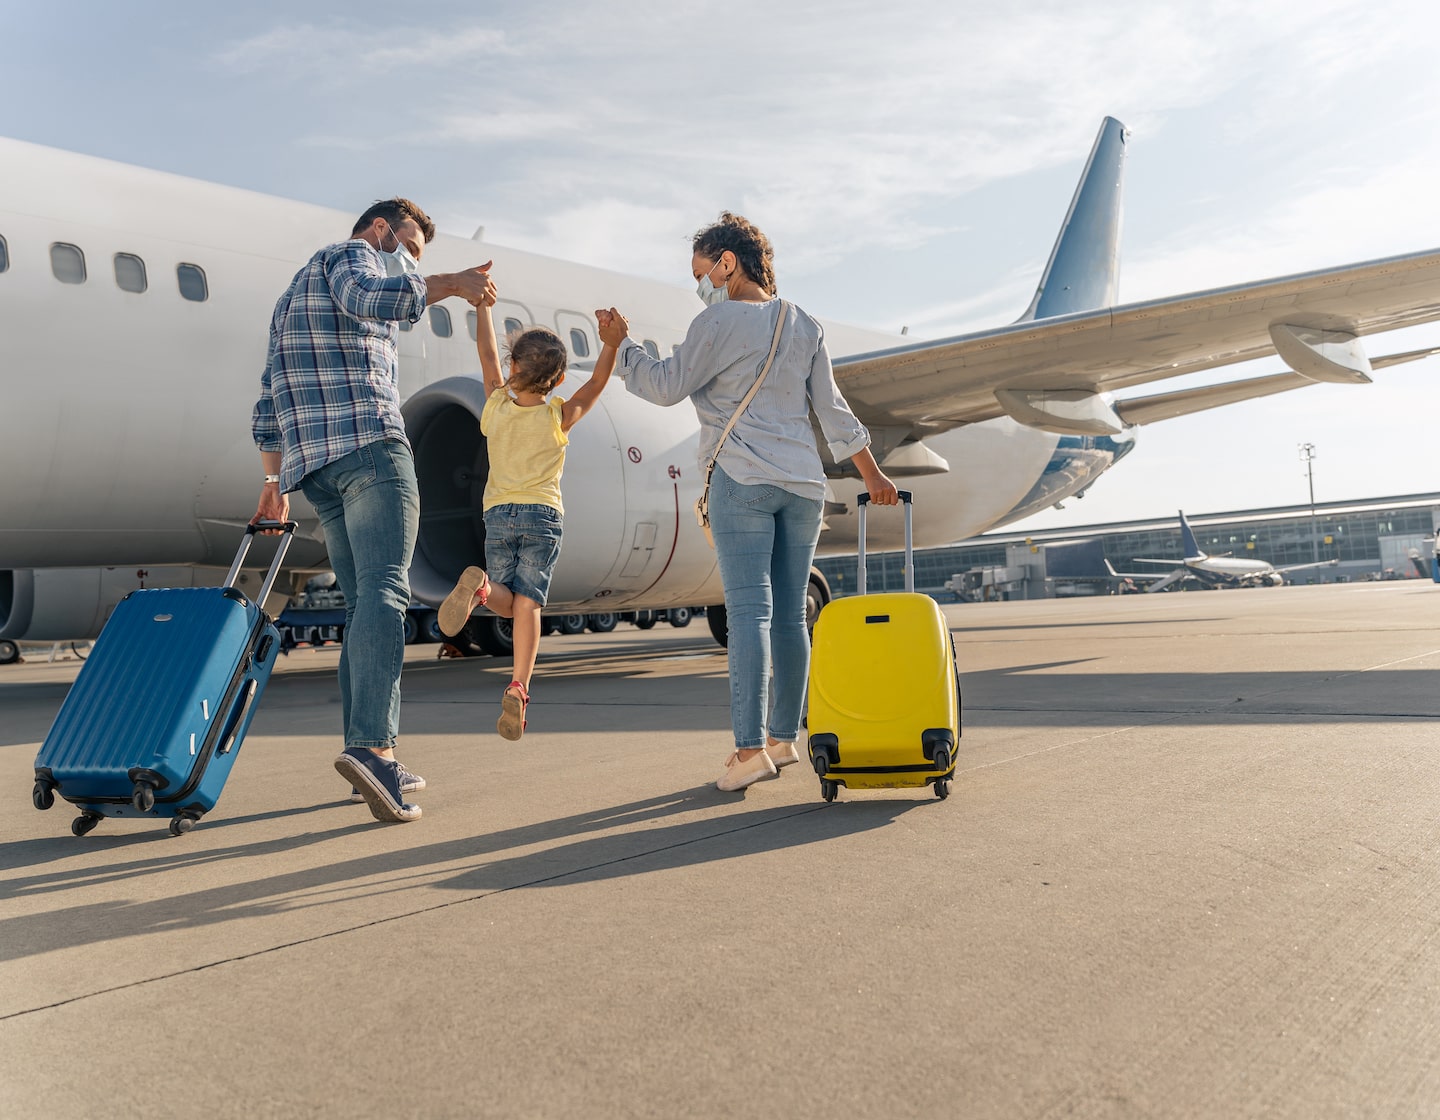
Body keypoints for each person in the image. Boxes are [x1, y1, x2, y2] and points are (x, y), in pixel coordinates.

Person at [597, 211, 898, 793]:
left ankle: (747, 750)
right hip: (806, 486)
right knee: (790, 617)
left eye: (700, 271)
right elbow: (832, 411)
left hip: (742, 479)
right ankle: (784, 739)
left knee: (750, 614)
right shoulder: (803, 323)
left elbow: (663, 386)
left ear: (727, 264)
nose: (699, 284)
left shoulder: (718, 322)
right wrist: (872, 475)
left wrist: (622, 346)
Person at [252, 198, 496, 823]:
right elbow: (373, 298)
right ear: (384, 229)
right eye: (411, 248)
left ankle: (366, 748)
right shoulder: (355, 255)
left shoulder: (289, 300)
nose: (413, 262)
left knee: (364, 606)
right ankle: (374, 747)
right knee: (388, 595)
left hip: (318, 472)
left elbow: (267, 395)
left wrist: (273, 480)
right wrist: (451, 285)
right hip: (369, 449)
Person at [435, 303, 617, 739]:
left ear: (513, 365)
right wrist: (610, 343)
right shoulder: (558, 416)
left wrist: (483, 307)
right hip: (542, 515)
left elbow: (485, 355)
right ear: (556, 381)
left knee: (505, 598)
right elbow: (596, 383)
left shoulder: (496, 407)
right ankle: (520, 684)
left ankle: (480, 588)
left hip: (498, 513)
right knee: (528, 604)